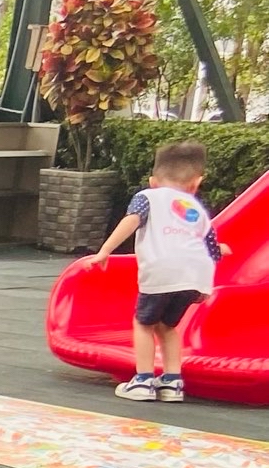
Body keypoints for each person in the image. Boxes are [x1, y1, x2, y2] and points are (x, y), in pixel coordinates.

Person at [91, 138, 223, 406]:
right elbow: (211, 246)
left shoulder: (148, 197)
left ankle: (143, 380)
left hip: (162, 271)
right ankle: (173, 382)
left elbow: (132, 220)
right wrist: (205, 283)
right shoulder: (197, 210)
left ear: (153, 181)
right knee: (168, 326)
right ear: (196, 183)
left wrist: (105, 250)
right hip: (195, 275)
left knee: (144, 324)